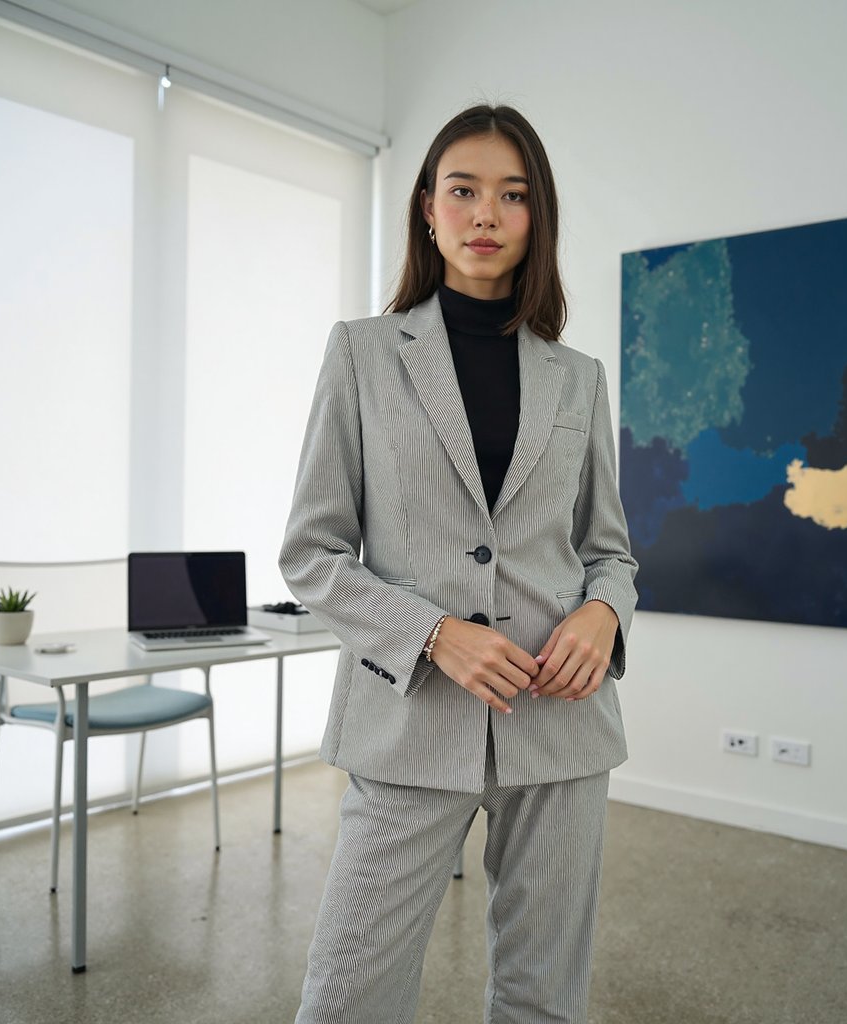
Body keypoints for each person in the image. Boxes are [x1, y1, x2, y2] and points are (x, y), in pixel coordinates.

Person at [280, 103, 638, 1024]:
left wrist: (603, 615)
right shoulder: (362, 353)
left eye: (512, 195)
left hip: (561, 726)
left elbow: (609, 552)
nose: (485, 213)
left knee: (543, 998)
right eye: (464, 190)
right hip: (408, 725)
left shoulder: (579, 377)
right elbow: (312, 553)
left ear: (536, 218)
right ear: (428, 210)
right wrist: (435, 634)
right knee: (347, 997)